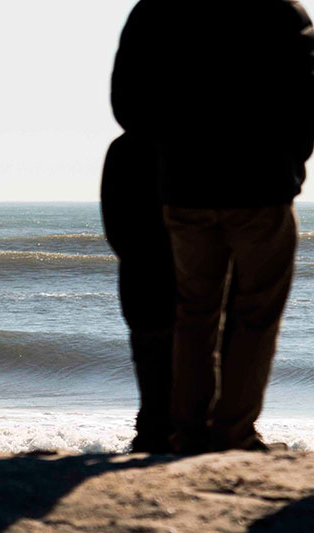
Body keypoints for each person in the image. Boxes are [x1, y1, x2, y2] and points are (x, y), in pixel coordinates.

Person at [111, 0, 314, 453]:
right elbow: (306, 96)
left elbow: (127, 107)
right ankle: (233, 432)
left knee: (194, 312)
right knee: (256, 315)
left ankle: (187, 430)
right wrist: (291, 164)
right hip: (261, 185)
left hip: (185, 184)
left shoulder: (157, 12)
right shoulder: (280, 11)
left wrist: (176, 145)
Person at [101, 133, 175, 453]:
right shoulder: (177, 143)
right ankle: (167, 428)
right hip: (162, 263)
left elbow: (113, 220)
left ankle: (152, 430)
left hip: (138, 266)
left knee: (148, 347)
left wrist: (132, 256)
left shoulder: (123, 148)